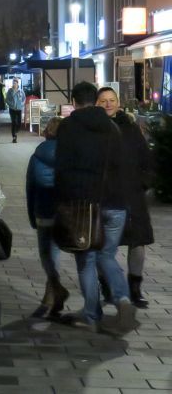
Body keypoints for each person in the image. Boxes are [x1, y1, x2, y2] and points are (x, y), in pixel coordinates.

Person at [55, 81, 135, 332]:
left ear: (74, 100)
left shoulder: (68, 127)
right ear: (96, 100)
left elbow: (63, 167)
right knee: (107, 255)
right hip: (116, 203)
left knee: (86, 259)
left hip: (85, 205)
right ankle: (122, 298)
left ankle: (91, 315)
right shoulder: (112, 127)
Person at [95, 87, 154, 309]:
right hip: (104, 197)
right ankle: (108, 287)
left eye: (112, 100)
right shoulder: (94, 130)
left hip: (132, 196)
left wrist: (143, 183)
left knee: (138, 242)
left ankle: (135, 288)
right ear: (96, 104)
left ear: (118, 103)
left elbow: (147, 160)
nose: (108, 104)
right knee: (102, 245)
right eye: (103, 101)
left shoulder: (131, 129)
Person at [26, 116, 68, 318]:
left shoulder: (37, 156)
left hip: (43, 208)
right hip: (68, 211)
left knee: (47, 254)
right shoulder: (72, 155)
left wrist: (31, 215)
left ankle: (54, 289)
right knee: (59, 253)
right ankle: (52, 293)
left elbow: (30, 188)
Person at [6, 78, 26, 143]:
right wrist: (11, 104)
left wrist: (21, 104)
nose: (14, 84)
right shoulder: (10, 91)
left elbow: (24, 99)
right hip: (12, 109)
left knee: (19, 123)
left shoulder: (21, 91)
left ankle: (15, 131)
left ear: (17, 84)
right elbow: (7, 99)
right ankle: (14, 136)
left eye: (15, 83)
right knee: (14, 122)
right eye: (13, 83)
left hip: (19, 109)